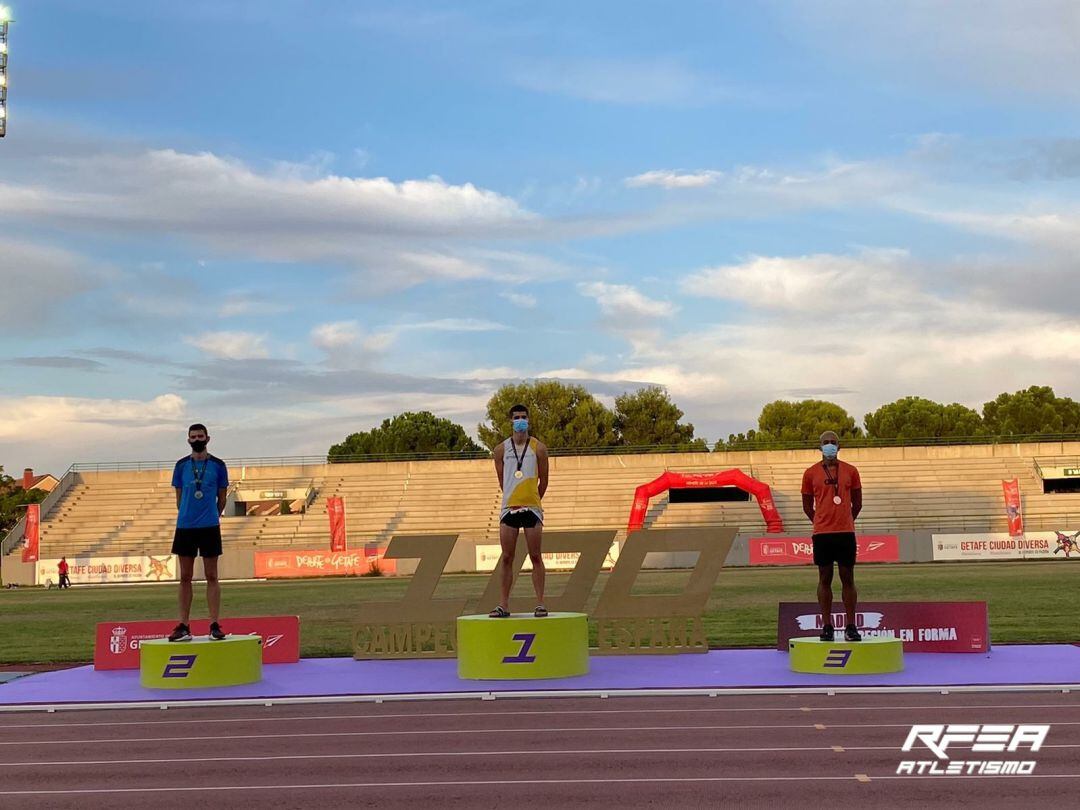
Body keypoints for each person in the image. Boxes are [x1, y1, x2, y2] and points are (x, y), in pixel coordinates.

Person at [168, 423, 229, 642]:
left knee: (212, 576)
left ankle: (214, 624)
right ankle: (184, 625)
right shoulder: (181, 465)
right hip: (185, 527)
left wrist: (212, 515)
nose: (196, 440)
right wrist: (188, 515)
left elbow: (222, 498)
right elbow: (179, 497)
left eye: (200, 436)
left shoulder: (219, 466)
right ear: (188, 440)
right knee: (185, 577)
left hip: (209, 527)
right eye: (193, 437)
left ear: (208, 438)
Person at [801, 430, 863, 642]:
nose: (829, 445)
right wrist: (820, 522)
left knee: (848, 578)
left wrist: (846, 520)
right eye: (825, 442)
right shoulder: (810, 473)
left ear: (839, 446)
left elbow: (858, 503)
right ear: (819, 447)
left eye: (833, 442)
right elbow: (807, 506)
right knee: (824, 578)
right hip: (823, 534)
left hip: (845, 533)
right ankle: (827, 626)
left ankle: (851, 626)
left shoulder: (851, 471)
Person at [489, 404, 549, 618]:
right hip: (509, 509)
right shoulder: (500, 450)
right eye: (517, 417)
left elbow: (544, 480)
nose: (520, 420)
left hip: (532, 507)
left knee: (535, 556)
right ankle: (503, 605)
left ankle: (540, 603)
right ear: (511, 421)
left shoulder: (539, 448)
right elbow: (502, 481)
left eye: (524, 416)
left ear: (529, 420)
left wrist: (533, 500)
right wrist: (512, 498)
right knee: (506, 557)